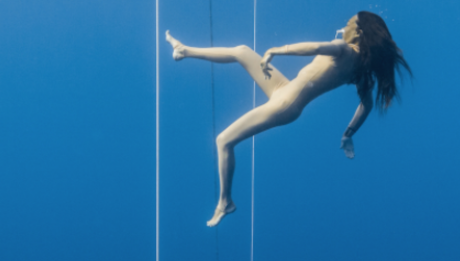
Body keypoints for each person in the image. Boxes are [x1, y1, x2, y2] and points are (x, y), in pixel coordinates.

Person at [165, 11, 411, 227]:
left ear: (358, 32)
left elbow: (314, 47)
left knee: (223, 140)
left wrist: (277, 50)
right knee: (242, 51)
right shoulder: (361, 70)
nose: (343, 26)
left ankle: (225, 202)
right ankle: (185, 50)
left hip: (286, 105)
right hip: (283, 89)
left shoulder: (344, 49)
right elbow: (367, 105)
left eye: (348, 23)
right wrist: (348, 134)